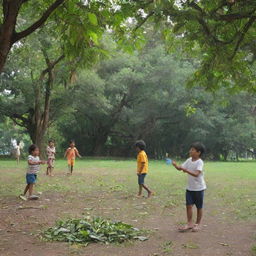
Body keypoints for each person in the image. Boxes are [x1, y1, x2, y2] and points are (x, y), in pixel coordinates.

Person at [172, 142, 206, 232]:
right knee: (188, 206)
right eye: (190, 149)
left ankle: (197, 224)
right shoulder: (189, 160)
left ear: (198, 152)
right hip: (190, 188)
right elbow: (181, 168)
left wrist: (185, 170)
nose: (190, 151)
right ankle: (189, 223)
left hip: (199, 188)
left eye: (192, 150)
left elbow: (196, 174)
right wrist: (176, 166)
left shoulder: (200, 162)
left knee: (199, 207)